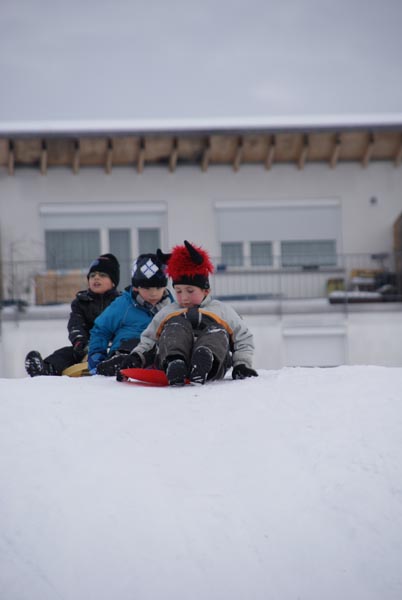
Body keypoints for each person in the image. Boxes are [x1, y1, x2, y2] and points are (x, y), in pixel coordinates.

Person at [117, 240, 258, 386]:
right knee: (175, 326)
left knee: (216, 331)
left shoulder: (221, 310)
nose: (184, 297)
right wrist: (137, 357)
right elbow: (150, 339)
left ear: (206, 290)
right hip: (169, 360)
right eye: (178, 291)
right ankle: (175, 362)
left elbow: (243, 338)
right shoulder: (168, 311)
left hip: (214, 365)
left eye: (190, 291)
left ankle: (204, 360)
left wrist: (242, 364)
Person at [25, 253, 121, 377]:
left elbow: (126, 325)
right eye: (92, 275)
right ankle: (46, 368)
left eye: (102, 275)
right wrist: (80, 343)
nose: (96, 278)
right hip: (86, 347)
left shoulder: (121, 302)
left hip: (114, 348)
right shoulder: (81, 302)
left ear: (113, 282)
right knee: (65, 354)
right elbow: (75, 324)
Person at [89, 252, 173, 376]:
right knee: (133, 343)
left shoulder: (171, 305)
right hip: (126, 349)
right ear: (136, 288)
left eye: (158, 288)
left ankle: (171, 365)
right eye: (147, 289)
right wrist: (96, 355)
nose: (153, 293)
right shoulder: (123, 304)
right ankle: (119, 363)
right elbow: (101, 329)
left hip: (156, 351)